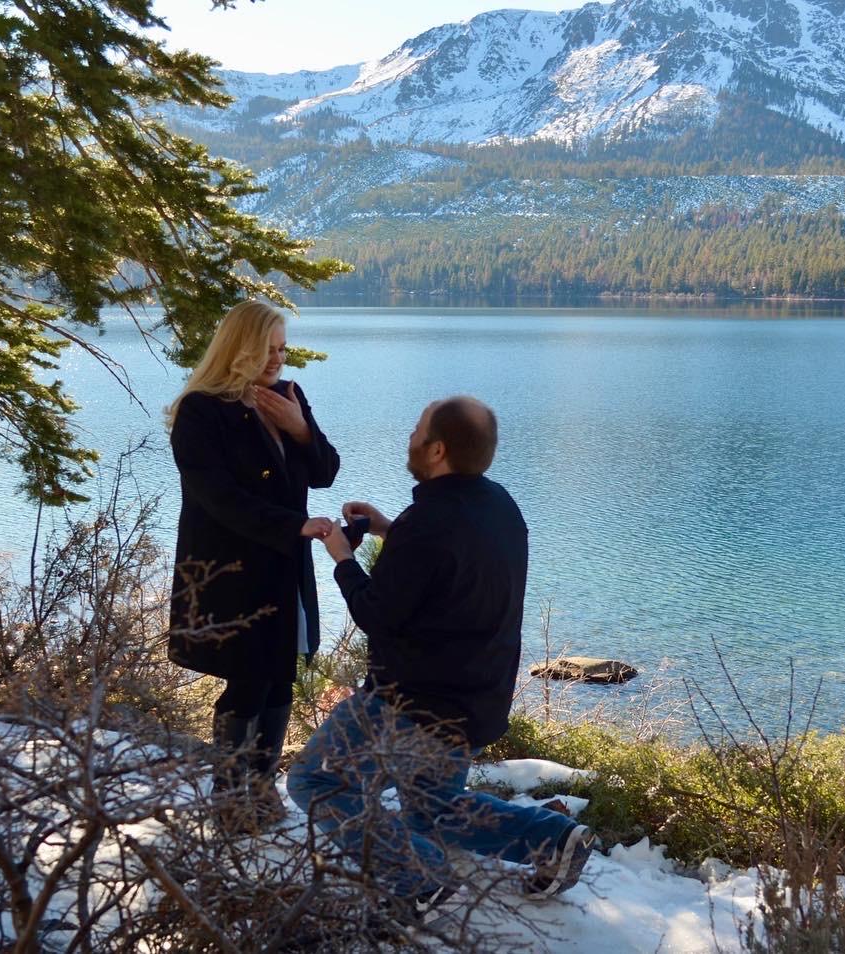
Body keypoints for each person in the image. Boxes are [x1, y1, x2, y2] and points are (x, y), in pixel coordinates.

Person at [287, 396, 595, 916]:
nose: (409, 436)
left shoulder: (426, 523)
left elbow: (377, 614)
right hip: (475, 700)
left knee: (315, 780)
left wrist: (342, 555)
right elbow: (452, 566)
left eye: (416, 430)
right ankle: (553, 841)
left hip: (407, 703)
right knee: (433, 811)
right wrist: (388, 530)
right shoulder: (501, 506)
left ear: (436, 449)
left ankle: (414, 875)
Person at [166, 300, 339, 827]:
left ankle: (261, 790)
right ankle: (230, 799)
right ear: (239, 346)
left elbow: (326, 471)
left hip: (284, 564)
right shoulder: (200, 410)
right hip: (230, 571)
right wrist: (293, 526)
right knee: (246, 678)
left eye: (283, 348)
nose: (277, 359)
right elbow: (217, 497)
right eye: (268, 348)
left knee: (278, 676)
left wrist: (300, 429)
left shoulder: (288, 397)